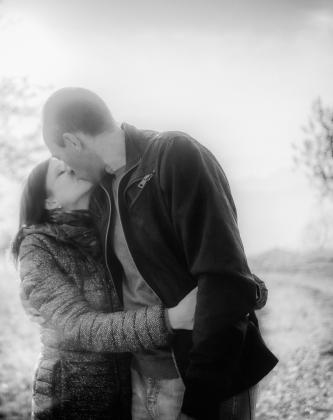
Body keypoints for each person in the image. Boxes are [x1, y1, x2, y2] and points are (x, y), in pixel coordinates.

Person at [26, 87, 278, 420]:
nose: (63, 165)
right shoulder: (101, 197)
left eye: (58, 155)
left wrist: (202, 398)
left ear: (74, 142)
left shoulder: (174, 156)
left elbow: (223, 275)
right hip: (140, 381)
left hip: (200, 378)